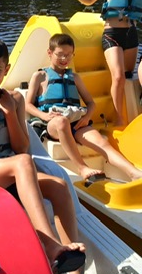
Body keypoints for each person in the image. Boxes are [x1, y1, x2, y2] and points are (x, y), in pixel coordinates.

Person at [0, 37, 86, 274]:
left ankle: (74, 270)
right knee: (24, 163)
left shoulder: (15, 99)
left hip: (12, 172)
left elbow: (22, 147)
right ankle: (51, 245)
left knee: (59, 185)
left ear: (7, 69)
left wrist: (9, 113)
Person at [25, 33, 142, 183]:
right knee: (62, 122)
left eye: (69, 55)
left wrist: (86, 118)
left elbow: (91, 103)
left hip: (76, 122)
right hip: (53, 123)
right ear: (50, 53)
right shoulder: (40, 76)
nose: (64, 58)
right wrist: (45, 116)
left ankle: (133, 173)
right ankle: (82, 168)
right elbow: (27, 105)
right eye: (60, 54)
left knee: (101, 141)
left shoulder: (74, 78)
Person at [71, 0, 142, 126]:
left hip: (132, 35)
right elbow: (89, 0)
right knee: (118, 76)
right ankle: (119, 120)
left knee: (128, 76)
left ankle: (133, 114)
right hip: (112, 35)